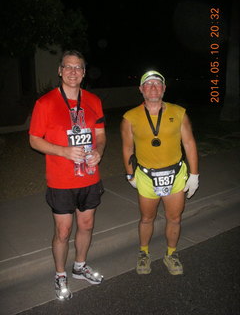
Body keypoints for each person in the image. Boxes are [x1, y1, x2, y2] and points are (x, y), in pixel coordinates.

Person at [29, 50, 106, 300]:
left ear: (84, 73)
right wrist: (63, 151)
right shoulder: (45, 103)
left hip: (90, 178)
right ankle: (60, 274)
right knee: (63, 231)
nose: (73, 72)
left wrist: (99, 151)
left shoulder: (94, 100)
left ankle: (80, 266)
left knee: (87, 225)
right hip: (61, 181)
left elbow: (101, 135)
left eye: (78, 68)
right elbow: (34, 140)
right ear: (60, 71)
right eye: (68, 67)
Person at [121, 70, 199, 276]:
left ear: (164, 89)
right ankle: (144, 253)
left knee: (174, 218)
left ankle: (171, 254)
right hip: (147, 176)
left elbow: (189, 144)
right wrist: (130, 175)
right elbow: (127, 148)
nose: (153, 87)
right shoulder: (130, 117)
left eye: (158, 84)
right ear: (141, 89)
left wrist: (194, 175)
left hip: (175, 174)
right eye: (148, 84)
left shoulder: (179, 112)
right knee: (147, 218)